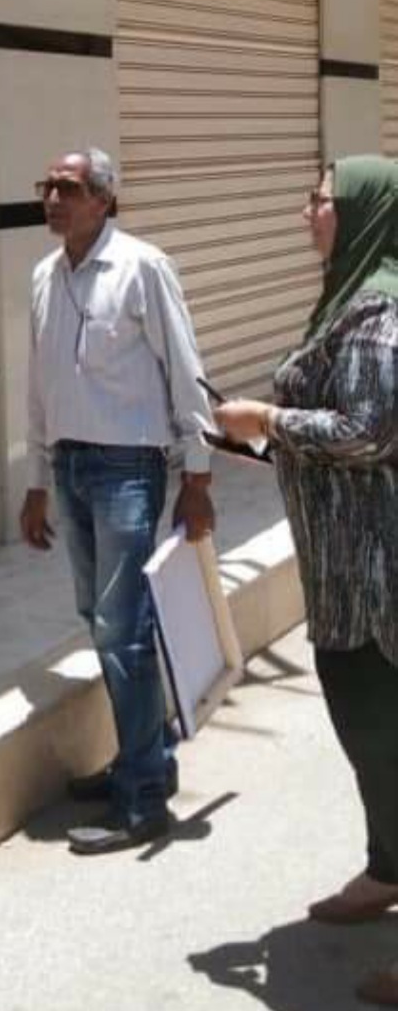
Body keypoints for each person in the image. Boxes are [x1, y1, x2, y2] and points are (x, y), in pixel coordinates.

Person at [214, 156, 398, 1007]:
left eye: (319, 199)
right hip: (346, 568)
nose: (306, 213)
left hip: (377, 579)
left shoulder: (378, 314)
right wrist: (263, 442)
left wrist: (267, 418)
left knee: (386, 741)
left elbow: (368, 429)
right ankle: (386, 871)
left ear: (360, 209)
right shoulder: (349, 297)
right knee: (374, 743)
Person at [20, 148, 215, 855]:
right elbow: (39, 384)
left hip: (128, 468)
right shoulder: (44, 276)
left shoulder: (142, 267)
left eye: (68, 188)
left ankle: (142, 802)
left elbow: (185, 371)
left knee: (122, 630)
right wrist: (37, 480)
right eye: (47, 187)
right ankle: (145, 756)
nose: (53, 199)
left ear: (104, 199)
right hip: (70, 467)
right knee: (100, 620)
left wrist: (198, 478)